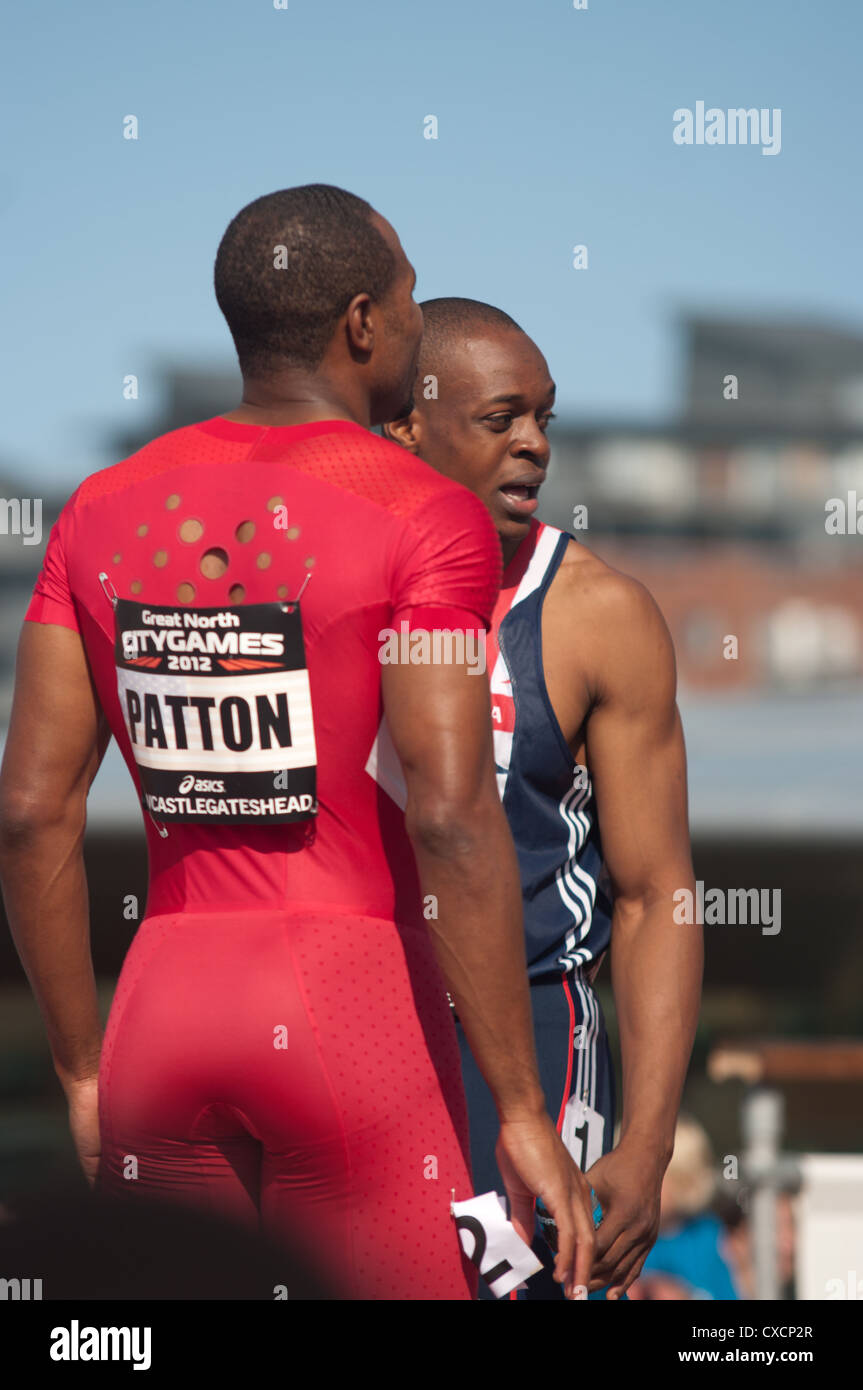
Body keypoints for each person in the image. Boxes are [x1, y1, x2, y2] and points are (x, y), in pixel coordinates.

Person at [0, 195, 596, 1301]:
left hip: (160, 1013)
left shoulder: (97, 509)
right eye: (414, 298)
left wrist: (83, 1070)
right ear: (363, 322)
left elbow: (32, 810)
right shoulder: (423, 514)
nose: (421, 324)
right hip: (349, 1003)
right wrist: (519, 1108)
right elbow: (449, 811)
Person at [384, 298, 702, 1299]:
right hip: (357, 1013)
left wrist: (646, 1144)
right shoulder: (325, 584)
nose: (532, 446)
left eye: (544, 420)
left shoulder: (595, 613)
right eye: (499, 419)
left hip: (529, 1021)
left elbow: (656, 892)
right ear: (405, 426)